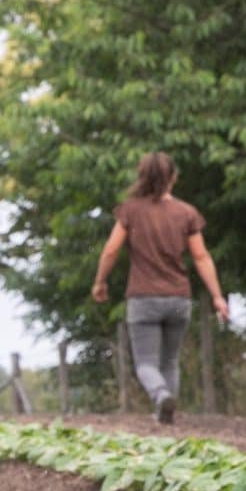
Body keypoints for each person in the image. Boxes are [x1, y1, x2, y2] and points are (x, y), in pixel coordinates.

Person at [89, 152, 227, 423]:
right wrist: (217, 296)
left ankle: (161, 395)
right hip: (179, 298)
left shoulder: (130, 210)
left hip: (143, 298)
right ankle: (166, 416)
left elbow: (111, 250)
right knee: (170, 361)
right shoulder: (186, 213)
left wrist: (100, 282)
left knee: (146, 363)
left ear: (142, 177)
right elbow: (201, 257)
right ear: (173, 178)